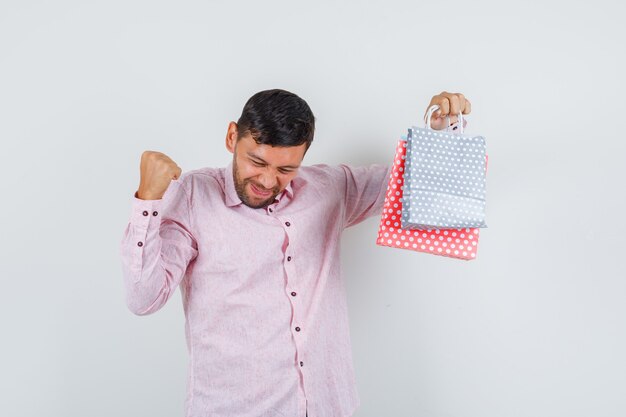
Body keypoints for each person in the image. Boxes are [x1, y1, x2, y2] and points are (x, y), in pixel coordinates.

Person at [119, 89, 471, 417]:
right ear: (232, 138)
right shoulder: (194, 196)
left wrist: (438, 137)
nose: (268, 181)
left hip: (327, 405)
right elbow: (144, 298)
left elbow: (413, 189)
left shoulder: (330, 188)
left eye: (286, 169)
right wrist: (148, 198)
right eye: (256, 161)